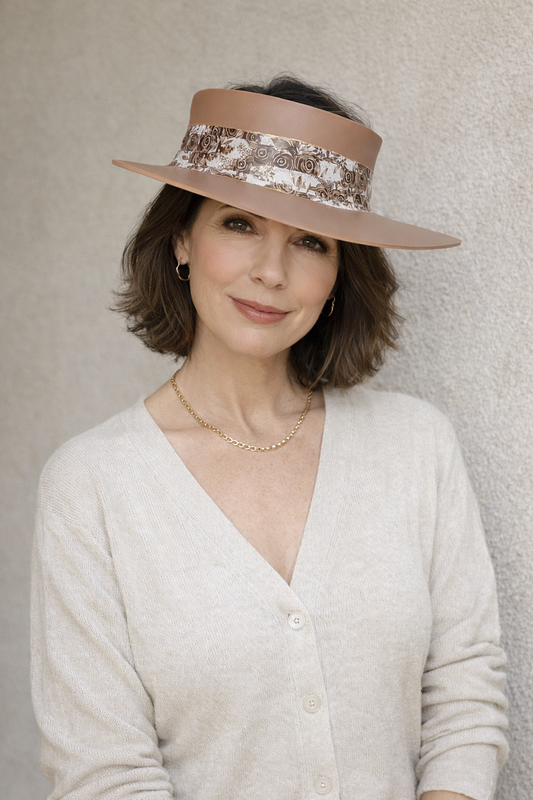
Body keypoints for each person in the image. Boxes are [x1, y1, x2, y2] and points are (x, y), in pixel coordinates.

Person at [31, 76, 508, 800]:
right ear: (183, 238)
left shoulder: (415, 447)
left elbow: (464, 696)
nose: (271, 272)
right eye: (239, 223)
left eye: (309, 241)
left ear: (339, 272)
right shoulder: (92, 485)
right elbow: (103, 772)